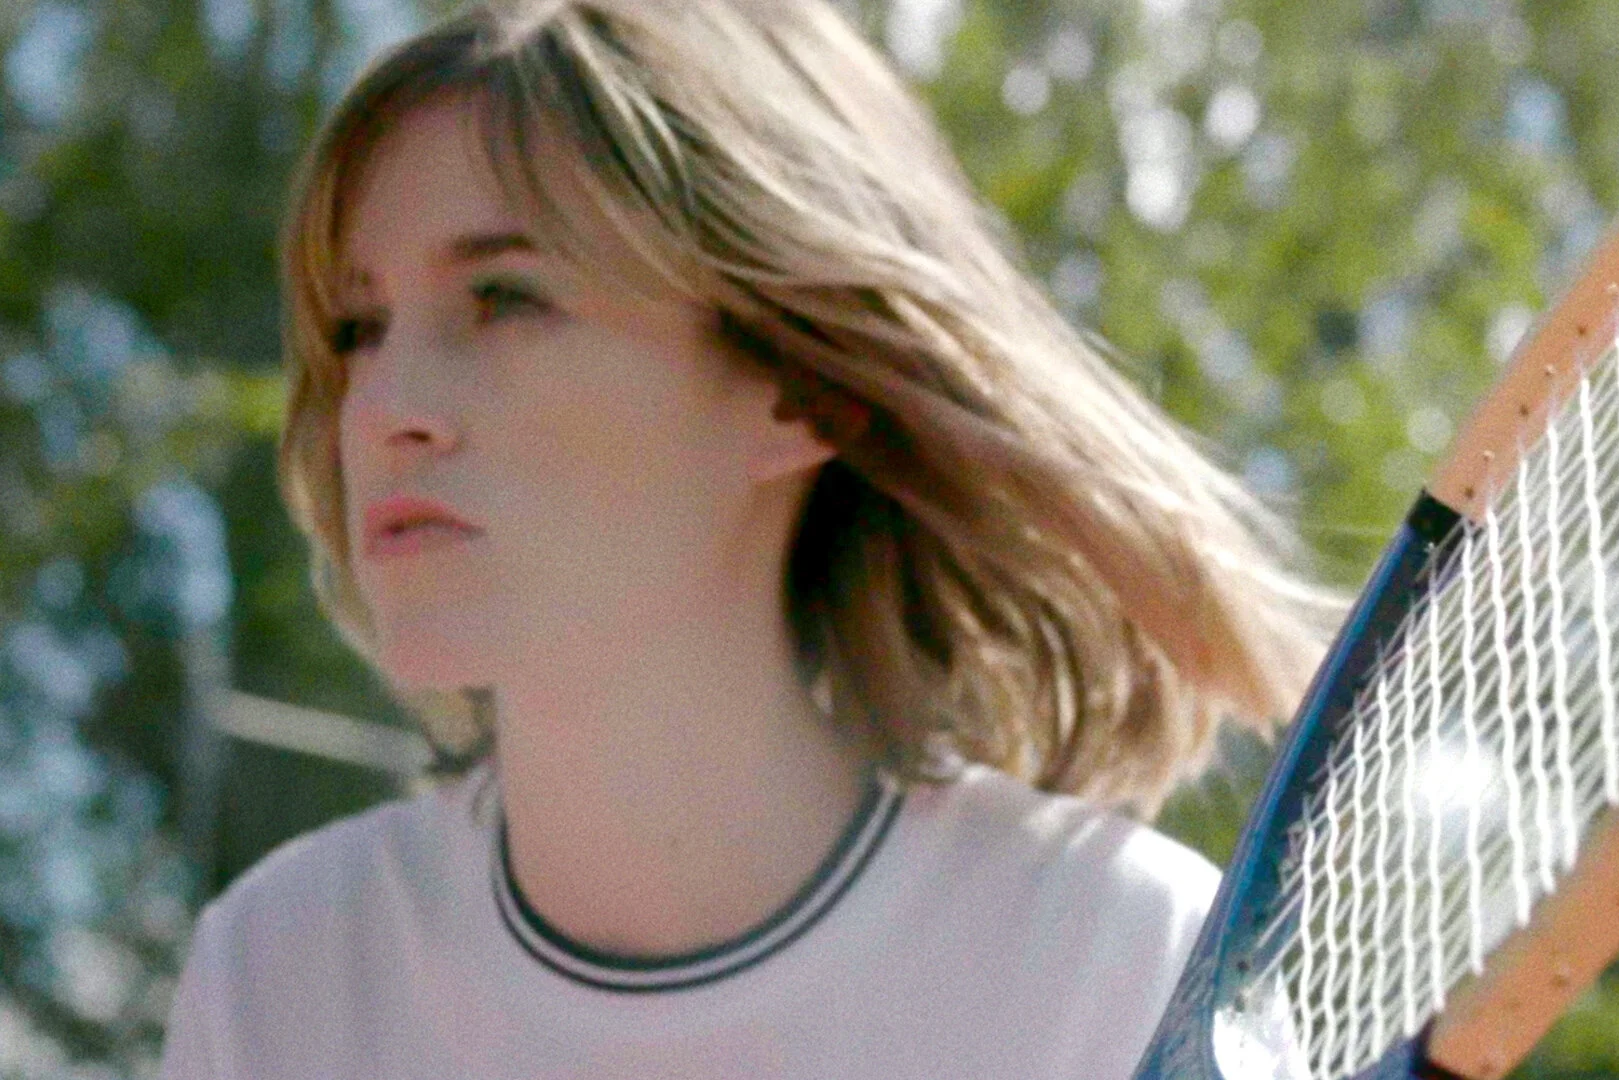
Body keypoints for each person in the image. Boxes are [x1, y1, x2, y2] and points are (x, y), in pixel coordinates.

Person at [160, 0, 1343, 1076]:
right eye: (358, 327)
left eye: (505, 299)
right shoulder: (278, 976)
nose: (381, 407)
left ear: (796, 385)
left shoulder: (1116, 961)